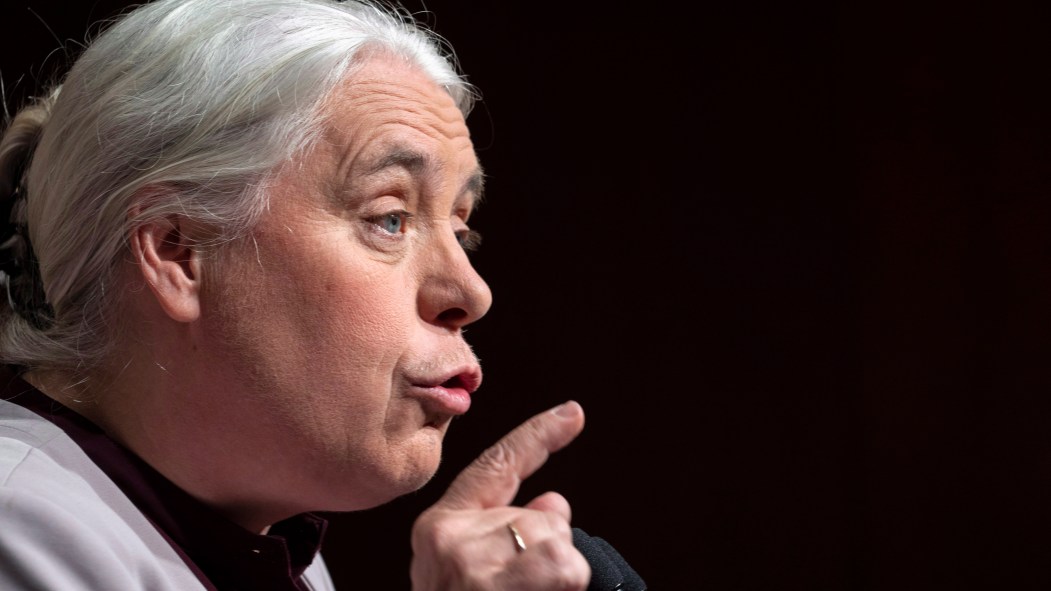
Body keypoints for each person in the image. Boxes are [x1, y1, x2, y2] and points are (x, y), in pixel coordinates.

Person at [0, 0, 622, 588]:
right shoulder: (22, 529)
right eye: (390, 218)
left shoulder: (277, 553)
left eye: (461, 232)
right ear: (179, 252)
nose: (471, 292)